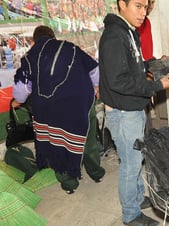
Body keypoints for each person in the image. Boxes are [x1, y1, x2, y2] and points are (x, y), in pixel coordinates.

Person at [98, 0, 169, 226]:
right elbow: (119, 81)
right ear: (122, 5)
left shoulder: (128, 31)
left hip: (132, 109)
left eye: (146, 6)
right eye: (138, 6)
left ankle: (134, 198)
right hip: (123, 112)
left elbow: (133, 66)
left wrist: (153, 63)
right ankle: (130, 215)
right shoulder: (114, 36)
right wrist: (157, 86)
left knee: (135, 159)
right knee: (130, 165)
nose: (143, 12)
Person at [12, 25, 105, 193]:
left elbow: (22, 92)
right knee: (87, 140)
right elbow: (94, 69)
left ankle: (69, 184)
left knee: (57, 145)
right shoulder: (70, 47)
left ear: (34, 40)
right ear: (53, 36)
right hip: (80, 105)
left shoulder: (29, 57)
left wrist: (17, 101)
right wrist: (96, 86)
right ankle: (96, 173)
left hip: (50, 112)